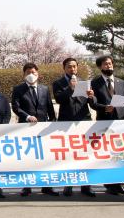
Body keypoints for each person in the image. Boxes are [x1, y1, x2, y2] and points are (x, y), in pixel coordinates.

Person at [11, 62, 58, 197]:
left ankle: (47, 186)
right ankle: (27, 186)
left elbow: (49, 106)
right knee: (28, 157)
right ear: (24, 75)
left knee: (45, 157)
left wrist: (53, 121)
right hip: (25, 128)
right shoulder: (18, 89)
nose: (31, 75)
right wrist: (27, 116)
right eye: (28, 73)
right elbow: (16, 107)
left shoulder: (44, 89)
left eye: (34, 72)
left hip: (43, 128)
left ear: (38, 74)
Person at [52, 57, 96, 198]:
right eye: (69, 67)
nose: (72, 69)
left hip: (84, 120)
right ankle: (68, 185)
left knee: (86, 154)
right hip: (67, 122)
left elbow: (92, 102)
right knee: (69, 155)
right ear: (64, 68)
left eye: (74, 67)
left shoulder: (85, 81)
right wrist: (70, 88)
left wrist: (91, 96)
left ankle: (86, 186)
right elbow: (59, 99)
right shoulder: (58, 83)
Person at [90, 54, 124, 196]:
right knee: (107, 155)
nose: (109, 66)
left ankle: (120, 184)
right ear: (100, 67)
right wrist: (104, 107)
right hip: (104, 122)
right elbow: (93, 103)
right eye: (105, 64)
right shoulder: (94, 83)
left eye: (110, 63)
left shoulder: (122, 82)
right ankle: (109, 185)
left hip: (121, 123)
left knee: (121, 154)